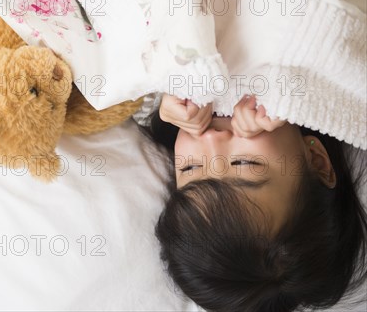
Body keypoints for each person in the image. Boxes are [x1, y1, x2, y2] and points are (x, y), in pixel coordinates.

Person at [141, 93, 367, 312]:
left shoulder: (157, 97)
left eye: (190, 168)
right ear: (317, 160)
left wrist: (170, 85)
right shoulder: (342, 87)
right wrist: (286, 92)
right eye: (244, 163)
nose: (211, 139)